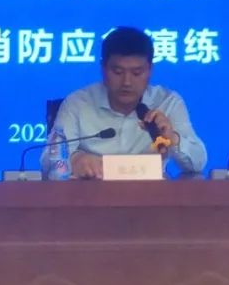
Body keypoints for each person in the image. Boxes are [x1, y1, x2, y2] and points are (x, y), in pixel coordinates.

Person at [43, 26, 207, 178]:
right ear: (103, 68)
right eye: (118, 72)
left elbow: (198, 163)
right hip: (90, 195)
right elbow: (47, 162)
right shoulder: (78, 103)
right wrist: (74, 161)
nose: (127, 82)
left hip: (152, 195)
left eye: (136, 73)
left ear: (150, 70)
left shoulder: (168, 103)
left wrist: (173, 138)